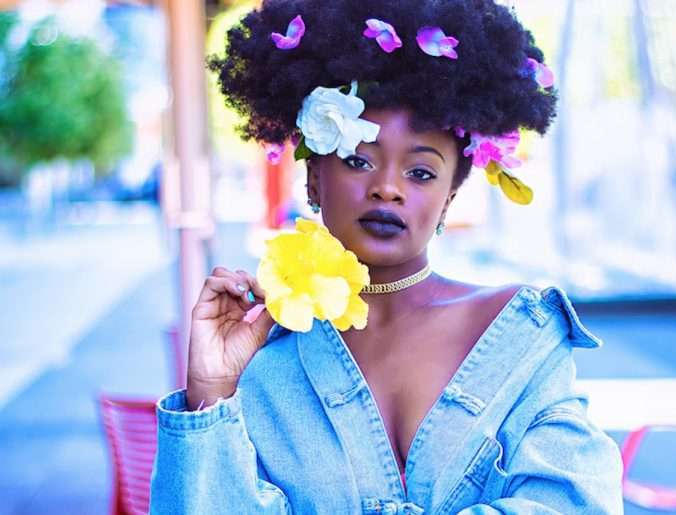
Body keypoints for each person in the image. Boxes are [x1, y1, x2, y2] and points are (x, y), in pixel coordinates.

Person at [149, 0, 624, 513]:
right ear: (313, 179)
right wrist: (211, 394)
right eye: (359, 160)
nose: (387, 189)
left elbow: (578, 501)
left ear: (450, 197)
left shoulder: (518, 335)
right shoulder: (261, 354)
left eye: (420, 172)